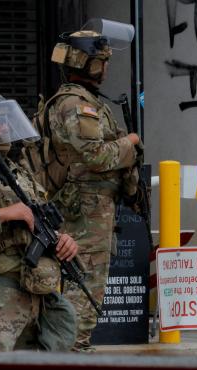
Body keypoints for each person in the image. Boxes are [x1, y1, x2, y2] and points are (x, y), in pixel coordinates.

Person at [45, 23, 140, 352]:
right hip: (85, 212)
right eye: (103, 61)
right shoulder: (77, 105)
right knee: (84, 293)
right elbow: (97, 156)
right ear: (90, 64)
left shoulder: (82, 101)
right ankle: (72, 360)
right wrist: (129, 144)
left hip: (87, 211)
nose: (106, 68)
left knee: (81, 290)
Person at [0, 89, 79, 353]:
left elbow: (42, 221)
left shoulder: (16, 172)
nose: (4, 126)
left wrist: (64, 241)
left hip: (36, 292)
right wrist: (4, 215)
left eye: (6, 118)